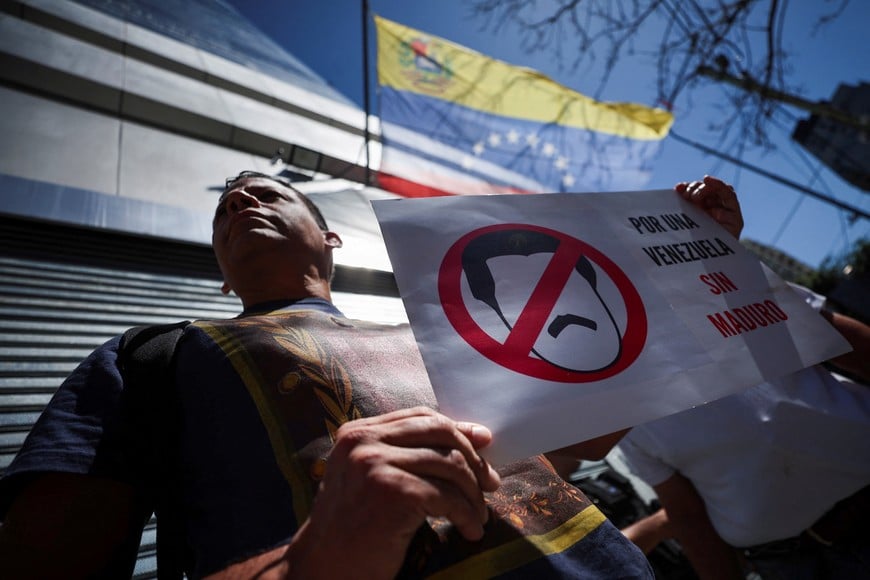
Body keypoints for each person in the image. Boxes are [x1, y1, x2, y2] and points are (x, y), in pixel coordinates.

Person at [0, 170, 659, 579]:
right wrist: (313, 563)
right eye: (226, 209)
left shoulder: (446, 329)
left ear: (329, 238)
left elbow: (582, 444)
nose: (241, 204)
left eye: (265, 194)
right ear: (221, 276)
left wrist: (669, 275)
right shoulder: (150, 357)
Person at [549, 177, 870, 579]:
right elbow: (687, 516)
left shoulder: (732, 287)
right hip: (786, 562)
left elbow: (859, 348)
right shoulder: (613, 401)